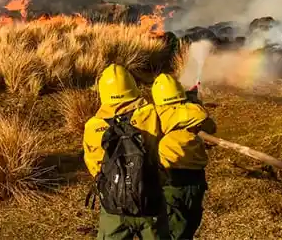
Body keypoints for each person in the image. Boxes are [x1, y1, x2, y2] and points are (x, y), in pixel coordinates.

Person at [83, 64, 169, 240]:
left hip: (114, 206)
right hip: (150, 198)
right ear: (132, 85)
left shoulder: (93, 126)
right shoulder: (152, 113)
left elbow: (94, 166)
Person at [151, 73, 217, 240]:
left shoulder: (154, 115)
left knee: (174, 225)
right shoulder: (193, 113)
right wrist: (192, 102)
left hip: (170, 180)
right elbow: (209, 125)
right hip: (193, 180)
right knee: (185, 225)